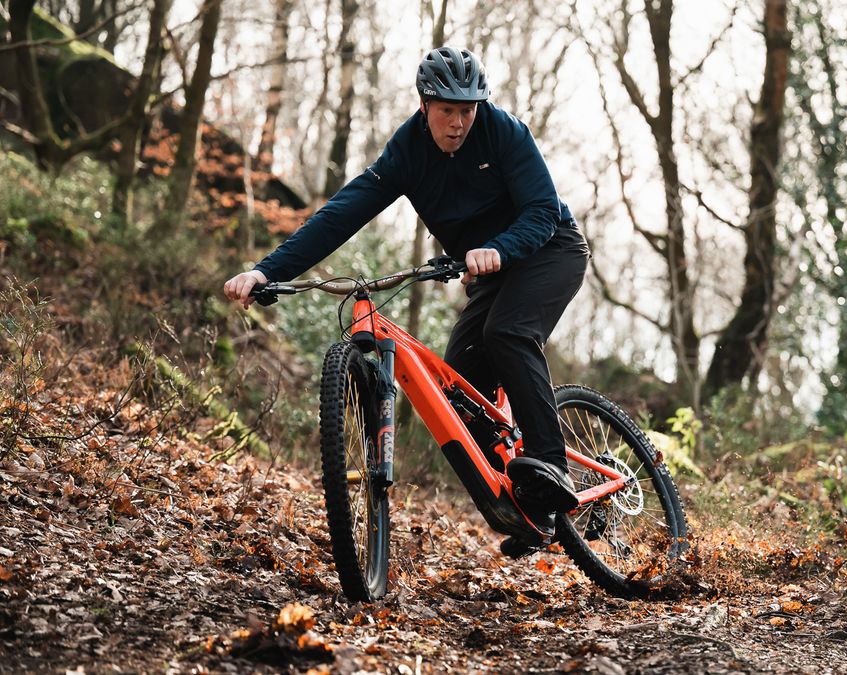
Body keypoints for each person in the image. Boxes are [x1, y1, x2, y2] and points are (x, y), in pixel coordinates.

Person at [223, 46, 589, 556]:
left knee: (506, 332)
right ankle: (526, 510)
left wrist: (498, 250)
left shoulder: (504, 132)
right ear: (424, 104)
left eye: (468, 110)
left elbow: (542, 212)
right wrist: (268, 270)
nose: (459, 122)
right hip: (487, 269)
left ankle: (549, 468)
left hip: (550, 251)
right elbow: (342, 213)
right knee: (461, 386)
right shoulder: (407, 152)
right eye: (447, 110)